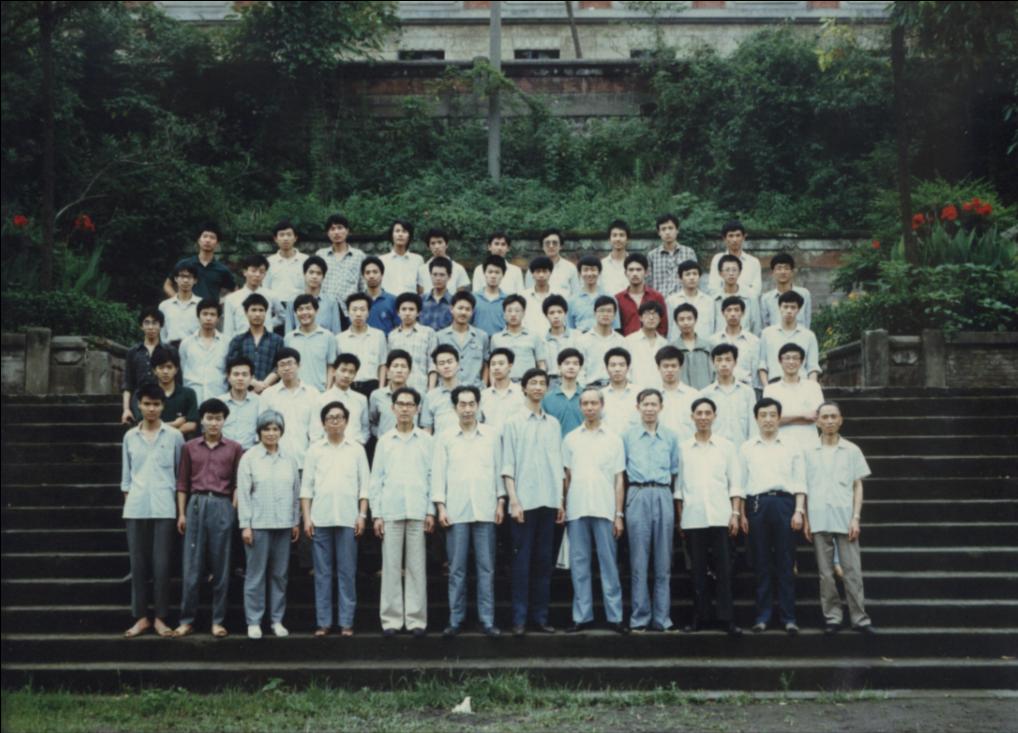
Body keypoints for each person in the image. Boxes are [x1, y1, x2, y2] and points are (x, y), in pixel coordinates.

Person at [433, 385, 505, 637]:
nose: (467, 409)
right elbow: (439, 473)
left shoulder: (491, 435)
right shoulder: (445, 436)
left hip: (486, 508)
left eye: (471, 404)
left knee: (486, 568)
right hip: (456, 510)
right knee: (457, 569)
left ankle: (487, 620)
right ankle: (456, 619)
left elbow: (498, 469)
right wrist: (440, 507)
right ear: (454, 408)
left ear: (478, 405)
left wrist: (501, 501)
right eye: (462, 404)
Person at [173, 398, 245, 638]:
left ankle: (218, 620)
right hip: (196, 504)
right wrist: (181, 513)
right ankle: (187, 620)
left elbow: (238, 483)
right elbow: (182, 483)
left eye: (218, 418)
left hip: (222, 504)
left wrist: (232, 510)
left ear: (224, 421)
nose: (214, 423)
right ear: (202, 420)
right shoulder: (189, 447)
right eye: (209, 418)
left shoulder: (234, 448)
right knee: (192, 566)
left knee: (221, 566)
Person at [501, 368, 565, 635]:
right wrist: (514, 501)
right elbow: (507, 465)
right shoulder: (513, 422)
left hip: (548, 501)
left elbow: (558, 465)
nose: (538, 387)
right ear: (524, 388)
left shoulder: (553, 424)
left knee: (543, 562)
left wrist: (560, 501)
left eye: (542, 383)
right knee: (521, 563)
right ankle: (519, 619)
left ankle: (540, 617)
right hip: (524, 503)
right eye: (533, 383)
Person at [120, 382, 185, 639]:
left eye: (156, 404)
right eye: (146, 404)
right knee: (138, 565)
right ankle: (141, 617)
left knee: (162, 565)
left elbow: (180, 476)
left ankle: (160, 617)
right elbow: (126, 478)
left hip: (164, 507)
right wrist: (129, 503)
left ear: (163, 406)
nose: (151, 409)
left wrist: (180, 510)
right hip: (136, 508)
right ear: (138, 405)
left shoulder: (174, 436)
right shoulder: (130, 437)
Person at [369, 387, 435, 637]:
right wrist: (377, 514)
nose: (405, 408)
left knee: (417, 567)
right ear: (393, 408)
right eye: (401, 404)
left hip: (418, 509)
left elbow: (433, 476)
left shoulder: (427, 441)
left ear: (417, 409)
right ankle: (391, 619)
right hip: (391, 510)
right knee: (391, 566)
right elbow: (376, 480)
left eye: (410, 404)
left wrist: (430, 511)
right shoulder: (385, 441)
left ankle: (416, 619)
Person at [739, 397, 808, 634]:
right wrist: (741, 514)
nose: (768, 419)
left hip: (784, 504)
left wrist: (799, 510)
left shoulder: (792, 446)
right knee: (761, 562)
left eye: (772, 415)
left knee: (786, 561)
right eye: (763, 415)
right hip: (757, 504)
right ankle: (763, 616)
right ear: (756, 419)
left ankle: (789, 617)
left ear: (779, 418)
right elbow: (741, 483)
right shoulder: (747, 447)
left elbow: (800, 481)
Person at [301, 401, 370, 637]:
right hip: (320, 519)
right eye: (330, 418)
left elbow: (364, 486)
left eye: (339, 417)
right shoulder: (314, 450)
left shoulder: (356, 449)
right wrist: (307, 518)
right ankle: (324, 622)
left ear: (346, 422)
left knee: (347, 572)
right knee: (322, 573)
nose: (335, 422)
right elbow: (306, 488)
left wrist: (362, 515)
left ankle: (346, 622)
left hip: (348, 519)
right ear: (323, 423)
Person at [676, 397, 743, 636]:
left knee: (724, 570)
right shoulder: (683, 448)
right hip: (693, 517)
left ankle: (727, 618)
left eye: (707, 413)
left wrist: (735, 513)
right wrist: (680, 519)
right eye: (699, 413)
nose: (703, 417)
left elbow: (735, 483)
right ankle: (700, 617)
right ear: (692, 417)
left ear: (714, 416)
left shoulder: (726, 446)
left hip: (721, 516)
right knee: (697, 571)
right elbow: (679, 489)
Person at [805, 402, 875, 635]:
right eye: (825, 417)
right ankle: (833, 617)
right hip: (818, 516)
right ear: (817, 421)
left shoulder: (852, 450)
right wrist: (806, 518)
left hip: (845, 517)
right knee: (826, 574)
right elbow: (804, 487)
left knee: (852, 570)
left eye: (833, 416)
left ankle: (860, 618)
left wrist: (856, 517)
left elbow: (858, 485)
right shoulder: (808, 451)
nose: (829, 421)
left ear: (841, 420)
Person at [562, 387, 627, 634]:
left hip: (605, 508)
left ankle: (615, 616)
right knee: (579, 564)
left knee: (608, 563)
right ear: (580, 407)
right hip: (577, 508)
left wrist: (618, 514)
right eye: (585, 404)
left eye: (594, 403)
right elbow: (566, 477)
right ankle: (582, 616)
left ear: (602, 405)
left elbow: (619, 479)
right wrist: (564, 506)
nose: (589, 408)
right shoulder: (570, 439)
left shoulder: (613, 439)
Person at [236, 410, 301, 639]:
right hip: (258, 525)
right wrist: (245, 525)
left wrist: (295, 521)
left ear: (281, 432)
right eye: (266, 429)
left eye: (275, 429)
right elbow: (244, 494)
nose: (271, 433)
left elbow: (295, 492)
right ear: (259, 431)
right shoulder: (249, 458)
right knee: (256, 575)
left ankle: (276, 620)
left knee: (279, 575)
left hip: (283, 524)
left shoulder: (289, 459)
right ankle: (254, 621)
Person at [623, 388, 681, 631]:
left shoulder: (671, 437)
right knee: (639, 560)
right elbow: (621, 471)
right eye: (645, 404)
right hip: (637, 493)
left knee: (663, 560)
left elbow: (675, 471)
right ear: (637, 407)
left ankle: (662, 618)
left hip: (663, 493)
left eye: (653, 404)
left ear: (661, 407)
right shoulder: (627, 436)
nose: (649, 408)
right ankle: (640, 617)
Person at [258, 348, 320, 470]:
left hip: (305, 461)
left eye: (290, 363)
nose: (286, 368)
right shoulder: (268, 395)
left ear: (298, 365)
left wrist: (313, 459)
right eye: (282, 365)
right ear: (277, 369)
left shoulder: (313, 393)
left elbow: (316, 431)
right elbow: (262, 429)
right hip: (275, 463)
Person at [763, 343, 824, 452]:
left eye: (795, 358)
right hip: (781, 446)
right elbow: (770, 420)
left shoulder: (813, 387)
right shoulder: (770, 390)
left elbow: (817, 417)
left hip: (809, 444)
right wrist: (803, 415)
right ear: (780, 361)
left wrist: (783, 418)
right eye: (787, 358)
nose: (791, 362)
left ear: (801, 362)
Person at [131, 346, 198, 436]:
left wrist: (161, 431)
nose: (165, 371)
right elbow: (143, 424)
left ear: (176, 370)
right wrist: (175, 424)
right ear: (154, 370)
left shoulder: (188, 394)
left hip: (179, 443)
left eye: (169, 367)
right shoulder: (143, 394)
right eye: (161, 367)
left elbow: (192, 425)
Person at [758, 291, 821, 385]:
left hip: (801, 383)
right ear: (779, 308)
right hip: (774, 383)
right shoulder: (767, 334)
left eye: (793, 307)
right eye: (785, 307)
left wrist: (811, 388)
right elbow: (762, 365)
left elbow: (812, 368)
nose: (789, 311)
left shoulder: (809, 336)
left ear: (798, 310)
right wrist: (767, 387)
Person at [700, 344, 758, 446]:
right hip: (714, 448)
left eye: (728, 360)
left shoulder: (747, 392)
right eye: (719, 360)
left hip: (741, 448)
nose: (723, 364)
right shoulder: (705, 394)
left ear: (735, 362)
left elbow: (753, 426)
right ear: (713, 363)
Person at [225, 293, 284, 393]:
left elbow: (280, 366)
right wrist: (254, 383)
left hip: (270, 392)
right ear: (246, 312)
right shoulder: (238, 340)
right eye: (253, 310)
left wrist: (263, 385)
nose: (257, 314)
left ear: (266, 313)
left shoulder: (277, 340)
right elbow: (231, 366)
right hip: (243, 393)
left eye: (261, 310)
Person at [121, 307, 169, 425]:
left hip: (163, 399)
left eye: (155, 323)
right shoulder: (133, 352)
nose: (151, 327)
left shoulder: (169, 351)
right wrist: (126, 409)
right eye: (147, 323)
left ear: (161, 325)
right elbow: (128, 384)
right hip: (139, 401)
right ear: (141, 326)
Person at [163, 223, 234, 302]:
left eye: (212, 237)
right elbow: (167, 285)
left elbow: (235, 291)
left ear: (217, 243)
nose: (208, 240)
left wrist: (220, 302)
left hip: (210, 309)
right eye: (205, 236)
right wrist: (179, 301)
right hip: (187, 308)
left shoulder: (222, 269)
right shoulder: (184, 264)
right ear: (199, 240)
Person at [221, 254, 284, 341]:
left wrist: (269, 324)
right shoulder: (232, 298)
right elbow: (228, 328)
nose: (257, 275)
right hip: (241, 343)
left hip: (265, 342)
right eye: (253, 271)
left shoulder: (271, 295)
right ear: (245, 272)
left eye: (261, 272)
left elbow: (282, 316)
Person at [179, 298, 228, 404]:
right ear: (198, 316)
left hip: (219, 397)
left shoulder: (226, 343)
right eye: (205, 314)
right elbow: (183, 368)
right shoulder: (186, 343)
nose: (208, 318)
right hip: (192, 398)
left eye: (212, 314)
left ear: (218, 318)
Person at [338, 292, 388, 397]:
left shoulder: (378, 336)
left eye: (362, 309)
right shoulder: (339, 339)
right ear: (348, 312)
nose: (358, 314)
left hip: (373, 387)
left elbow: (382, 364)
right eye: (354, 309)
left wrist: (380, 390)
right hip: (349, 387)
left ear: (368, 312)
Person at [314, 354, 370, 447]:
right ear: (334, 371)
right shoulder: (322, 399)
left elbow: (365, 428)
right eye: (343, 370)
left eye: (351, 372)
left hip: (354, 448)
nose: (346, 375)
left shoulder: (361, 399)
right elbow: (315, 431)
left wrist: (359, 444)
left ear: (355, 375)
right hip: (328, 449)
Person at [435, 291, 489, 388]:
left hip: (475, 390)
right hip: (447, 390)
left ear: (472, 312)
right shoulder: (439, 336)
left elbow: (486, 363)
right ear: (451, 309)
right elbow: (434, 365)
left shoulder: (482, 336)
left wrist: (484, 385)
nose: (463, 312)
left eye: (468, 309)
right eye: (460, 308)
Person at [284, 294, 338, 392]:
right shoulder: (289, 338)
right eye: (300, 309)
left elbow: (331, 366)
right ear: (295, 313)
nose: (304, 312)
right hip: (295, 393)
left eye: (308, 308)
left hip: (320, 392)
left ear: (316, 311)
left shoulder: (328, 336)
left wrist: (328, 391)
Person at [387, 292, 438, 394]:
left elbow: (433, 364)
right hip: (397, 391)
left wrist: (431, 391)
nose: (407, 313)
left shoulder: (428, 333)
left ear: (418, 312)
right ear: (398, 312)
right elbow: (389, 366)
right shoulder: (392, 335)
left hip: (421, 389)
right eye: (404, 309)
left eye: (411, 309)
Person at [316, 213, 365, 318]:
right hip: (324, 310)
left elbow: (363, 286)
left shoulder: (358, 256)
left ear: (347, 231)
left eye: (340, 228)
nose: (336, 232)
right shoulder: (321, 255)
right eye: (332, 229)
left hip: (350, 312)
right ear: (328, 233)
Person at [492, 294, 547, 382]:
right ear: (504, 314)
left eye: (517, 311)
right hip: (504, 383)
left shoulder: (534, 336)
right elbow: (492, 366)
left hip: (528, 383)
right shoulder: (496, 338)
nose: (513, 314)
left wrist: (541, 382)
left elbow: (541, 364)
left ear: (524, 313)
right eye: (509, 311)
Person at [711, 296, 762, 391]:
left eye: (736, 310)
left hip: (746, 387)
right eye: (729, 310)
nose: (733, 314)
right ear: (723, 313)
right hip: (719, 388)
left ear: (743, 313)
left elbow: (755, 371)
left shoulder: (753, 341)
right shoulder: (714, 340)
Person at [282, 256, 342, 335]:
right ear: (304, 274)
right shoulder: (292, 300)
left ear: (323, 277)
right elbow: (288, 332)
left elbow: (336, 332)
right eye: (311, 272)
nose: (314, 276)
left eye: (319, 273)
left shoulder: (331, 301)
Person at [577, 296, 625, 387]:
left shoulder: (621, 341)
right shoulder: (582, 341)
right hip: (591, 387)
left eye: (609, 311)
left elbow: (627, 369)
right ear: (594, 313)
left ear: (615, 315)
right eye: (601, 311)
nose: (605, 314)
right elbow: (580, 370)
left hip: (615, 387)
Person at [616, 253, 668, 337]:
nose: (635, 273)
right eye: (631, 270)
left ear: (646, 272)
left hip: (652, 343)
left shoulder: (657, 297)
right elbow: (616, 328)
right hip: (626, 343)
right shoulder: (618, 299)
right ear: (625, 273)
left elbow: (663, 326)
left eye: (638, 270)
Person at [707, 220, 762, 297]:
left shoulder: (753, 262)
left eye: (738, 235)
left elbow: (756, 291)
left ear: (744, 237)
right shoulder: (717, 259)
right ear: (724, 238)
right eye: (731, 236)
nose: (735, 240)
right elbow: (713, 288)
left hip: (746, 302)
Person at [647, 213, 696, 298]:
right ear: (659, 232)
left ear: (677, 230)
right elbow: (648, 283)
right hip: (659, 301)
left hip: (683, 301)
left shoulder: (689, 253)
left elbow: (695, 280)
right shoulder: (652, 255)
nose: (667, 232)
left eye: (670, 228)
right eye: (663, 229)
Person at [264, 219, 309, 311]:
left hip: (301, 309)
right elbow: (266, 289)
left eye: (289, 235)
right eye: (281, 235)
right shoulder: (269, 262)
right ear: (275, 239)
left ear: (295, 238)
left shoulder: (306, 260)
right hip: (276, 309)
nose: (285, 238)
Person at [712, 255, 761, 337]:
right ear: (720, 273)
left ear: (740, 272)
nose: (731, 273)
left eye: (734, 270)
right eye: (727, 270)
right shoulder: (714, 299)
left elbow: (756, 326)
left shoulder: (750, 297)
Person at [655, 345, 697, 442]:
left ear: (680, 367)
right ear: (658, 368)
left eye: (673, 366)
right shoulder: (652, 396)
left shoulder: (693, 395)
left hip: (687, 447)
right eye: (665, 366)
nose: (670, 370)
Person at [369, 350, 413, 441]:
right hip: (385, 445)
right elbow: (372, 422)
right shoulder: (377, 395)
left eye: (403, 366)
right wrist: (381, 435)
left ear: (409, 371)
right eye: (395, 366)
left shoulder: (418, 396)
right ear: (388, 371)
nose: (399, 370)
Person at [479, 347, 526, 433]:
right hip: (491, 439)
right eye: (493, 364)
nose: (496, 367)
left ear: (510, 366)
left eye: (501, 364)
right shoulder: (483, 395)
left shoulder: (521, 393)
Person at [569, 254, 620, 333]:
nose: (589, 274)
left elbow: (616, 328)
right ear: (579, 273)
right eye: (585, 270)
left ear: (599, 272)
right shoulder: (572, 300)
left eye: (593, 270)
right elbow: (570, 329)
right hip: (580, 339)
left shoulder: (610, 299)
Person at [666, 260, 715, 341]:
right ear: (680, 278)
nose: (692, 278)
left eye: (695, 274)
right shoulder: (671, 301)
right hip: (679, 345)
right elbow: (670, 327)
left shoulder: (709, 301)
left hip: (703, 344)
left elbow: (712, 326)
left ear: (699, 277)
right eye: (687, 274)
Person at [761, 252, 812, 329]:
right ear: (773, 272)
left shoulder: (804, 294)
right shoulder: (766, 298)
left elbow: (807, 321)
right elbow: (765, 325)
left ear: (792, 272)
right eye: (779, 268)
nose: (783, 272)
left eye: (786, 268)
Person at [624, 301, 668, 389]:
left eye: (655, 314)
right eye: (647, 314)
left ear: (660, 319)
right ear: (640, 317)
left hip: (660, 390)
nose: (651, 318)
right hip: (635, 389)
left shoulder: (665, 344)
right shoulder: (629, 341)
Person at [219, 357, 260, 450]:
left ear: (251, 378)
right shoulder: (219, 402)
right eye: (236, 374)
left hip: (250, 452)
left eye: (244, 374)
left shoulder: (259, 402)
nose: (240, 378)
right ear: (228, 377)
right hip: (223, 452)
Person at [542, 347, 584, 437]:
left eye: (575, 364)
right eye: (567, 363)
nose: (571, 367)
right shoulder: (547, 398)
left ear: (580, 368)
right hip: (556, 443)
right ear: (559, 367)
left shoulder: (587, 396)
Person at [421, 344, 461, 435]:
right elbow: (427, 430)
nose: (446, 366)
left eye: (450, 362)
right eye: (441, 363)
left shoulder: (469, 392)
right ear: (436, 368)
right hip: (440, 443)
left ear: (458, 364)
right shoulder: (430, 396)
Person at [671, 304, 714, 390]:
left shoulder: (707, 346)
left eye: (689, 319)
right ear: (676, 322)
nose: (686, 323)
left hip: (705, 392)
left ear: (695, 320)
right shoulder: (672, 348)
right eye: (681, 319)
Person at [525, 228, 578, 296]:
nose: (551, 246)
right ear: (542, 247)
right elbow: (529, 294)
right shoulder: (533, 268)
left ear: (561, 246)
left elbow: (576, 294)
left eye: (555, 243)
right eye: (547, 243)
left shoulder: (570, 268)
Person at [521, 256, 566, 336]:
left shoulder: (561, 295)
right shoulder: (523, 296)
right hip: (529, 338)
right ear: (532, 274)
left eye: (545, 271)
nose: (541, 275)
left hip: (554, 338)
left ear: (550, 273)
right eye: (538, 271)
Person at [417, 227, 470, 294]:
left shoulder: (458, 269)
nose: (437, 246)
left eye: (440, 242)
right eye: (433, 243)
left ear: (446, 244)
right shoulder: (422, 270)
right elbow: (421, 295)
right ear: (428, 247)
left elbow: (461, 295)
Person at [600, 347, 639, 437]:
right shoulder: (600, 395)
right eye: (613, 365)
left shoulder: (639, 393)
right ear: (606, 368)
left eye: (622, 365)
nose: (617, 369)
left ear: (628, 368)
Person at [542, 294, 577, 390]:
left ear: (565, 313)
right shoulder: (541, 340)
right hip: (550, 383)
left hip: (573, 381)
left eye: (559, 312)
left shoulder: (577, 336)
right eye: (552, 313)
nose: (556, 316)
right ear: (546, 315)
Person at [380, 219, 424, 296]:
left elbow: (421, 288)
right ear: (392, 235)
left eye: (404, 231)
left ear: (409, 236)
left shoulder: (417, 260)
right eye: (397, 231)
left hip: (411, 301)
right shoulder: (382, 260)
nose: (400, 234)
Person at [159, 263, 200, 345]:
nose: (185, 280)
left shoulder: (201, 305)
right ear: (175, 278)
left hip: (193, 349)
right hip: (169, 349)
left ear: (195, 280)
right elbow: (162, 334)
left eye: (189, 277)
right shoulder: (164, 306)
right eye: (182, 276)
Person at [360, 256, 400, 335]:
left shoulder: (393, 300)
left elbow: (398, 327)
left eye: (375, 272)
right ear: (363, 276)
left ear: (382, 274)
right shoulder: (358, 301)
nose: (371, 276)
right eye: (367, 273)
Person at [472, 254, 509, 336]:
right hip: (477, 341)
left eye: (497, 272)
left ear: (503, 275)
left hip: (500, 341)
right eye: (490, 272)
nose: (493, 276)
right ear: (484, 273)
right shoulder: (473, 298)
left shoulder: (508, 300)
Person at [419, 256, 454, 331]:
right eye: (435, 274)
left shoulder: (454, 302)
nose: (438, 278)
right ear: (430, 275)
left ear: (449, 277)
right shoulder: (420, 300)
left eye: (442, 275)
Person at [600, 219, 631, 295]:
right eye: (614, 235)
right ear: (609, 239)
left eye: (621, 235)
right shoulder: (602, 265)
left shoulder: (634, 264)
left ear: (627, 239)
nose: (618, 239)